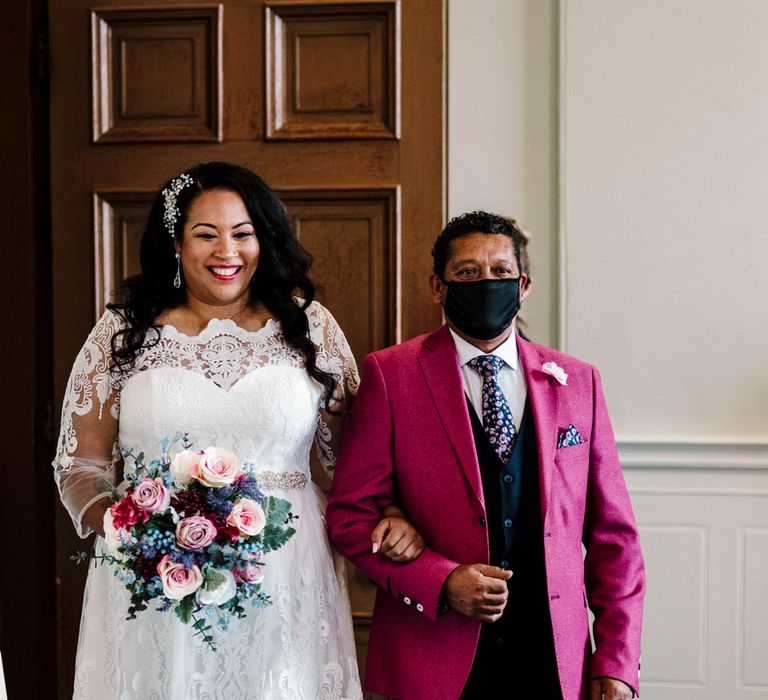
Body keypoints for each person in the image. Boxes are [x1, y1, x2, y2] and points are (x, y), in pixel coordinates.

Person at [52, 161, 420, 699]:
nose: (228, 251)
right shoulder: (122, 334)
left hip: (287, 566)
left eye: (242, 233)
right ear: (176, 243)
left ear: (263, 240)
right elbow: (80, 462)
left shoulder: (307, 327)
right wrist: (127, 529)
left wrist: (391, 514)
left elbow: (359, 459)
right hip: (156, 569)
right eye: (206, 234)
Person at [326, 211, 645, 700]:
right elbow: (350, 516)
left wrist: (617, 661)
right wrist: (442, 580)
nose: (486, 283)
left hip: (553, 657)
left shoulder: (578, 381)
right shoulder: (391, 376)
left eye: (500, 272)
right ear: (438, 286)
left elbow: (614, 539)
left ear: (523, 285)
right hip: (433, 654)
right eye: (468, 273)